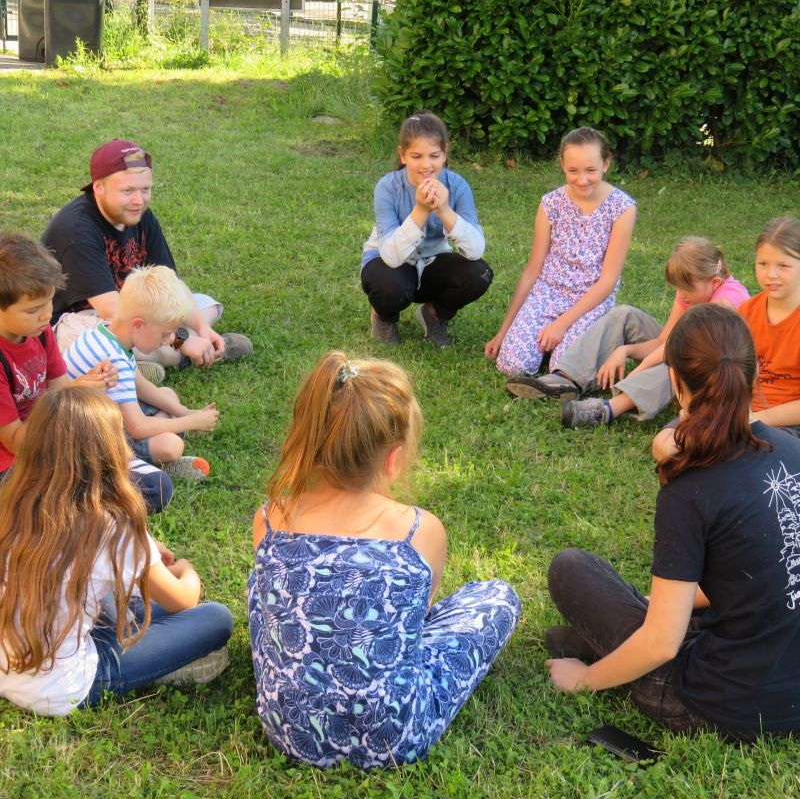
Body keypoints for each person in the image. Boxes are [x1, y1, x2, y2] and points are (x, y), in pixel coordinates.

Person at [248, 352, 520, 768]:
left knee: (262, 589)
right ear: (392, 459)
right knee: (498, 597)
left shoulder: (269, 519)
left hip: (289, 730)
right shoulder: (420, 531)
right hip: (395, 738)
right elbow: (418, 619)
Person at [546, 304, 800, 741]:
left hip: (719, 705)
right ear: (754, 375)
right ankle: (604, 638)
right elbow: (766, 566)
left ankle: (599, 650)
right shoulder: (792, 449)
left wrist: (582, 680)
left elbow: (663, 642)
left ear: (677, 384)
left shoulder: (691, 486)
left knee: (571, 569)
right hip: (787, 680)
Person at [0, 387, 233, 716]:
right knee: (215, 617)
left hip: (12, 666)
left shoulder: (14, 503)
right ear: (107, 452)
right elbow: (183, 599)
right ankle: (165, 667)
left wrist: (144, 552)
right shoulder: (110, 526)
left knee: (126, 600)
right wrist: (185, 570)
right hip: (66, 686)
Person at [41, 138, 252, 379]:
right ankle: (172, 357)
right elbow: (114, 310)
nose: (139, 200)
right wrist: (180, 341)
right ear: (98, 187)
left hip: (133, 309)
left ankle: (141, 361)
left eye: (145, 189)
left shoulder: (140, 214)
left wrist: (202, 328)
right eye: (127, 191)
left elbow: (170, 283)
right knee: (116, 340)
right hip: (72, 324)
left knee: (207, 306)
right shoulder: (77, 229)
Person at [0, 233, 173, 512]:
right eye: (33, 310)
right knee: (36, 506)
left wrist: (87, 385)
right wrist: (74, 393)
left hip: (52, 441)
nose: (46, 316)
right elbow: (19, 443)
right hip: (16, 464)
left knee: (156, 488)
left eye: (49, 302)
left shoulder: (40, 333)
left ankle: (88, 495)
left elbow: (60, 390)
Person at [505, 236, 749, 427]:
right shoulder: (693, 287)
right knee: (625, 315)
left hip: (715, 372)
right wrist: (625, 349)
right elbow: (666, 339)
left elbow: (676, 349)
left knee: (677, 361)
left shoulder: (725, 304)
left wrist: (639, 368)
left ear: (714, 283)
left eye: (685, 290)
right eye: (677, 289)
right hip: (683, 347)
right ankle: (566, 379)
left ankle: (608, 409)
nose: (681, 295)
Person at [485, 127, 636, 381]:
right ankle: (544, 342)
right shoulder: (550, 203)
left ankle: (574, 341)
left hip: (590, 298)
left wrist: (562, 323)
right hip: (549, 291)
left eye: (591, 170)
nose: (582, 179)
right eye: (573, 171)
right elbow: (533, 269)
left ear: (606, 164)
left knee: (563, 370)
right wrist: (504, 330)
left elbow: (608, 280)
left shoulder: (622, 208)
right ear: (563, 166)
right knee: (511, 366)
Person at [65, 266, 220, 480]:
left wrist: (185, 412)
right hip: (91, 439)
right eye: (165, 334)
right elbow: (137, 428)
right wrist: (192, 422)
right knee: (171, 445)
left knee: (167, 394)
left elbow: (141, 386)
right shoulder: (113, 359)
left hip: (113, 413)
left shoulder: (107, 332)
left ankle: (164, 433)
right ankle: (144, 465)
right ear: (138, 324)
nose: (168, 341)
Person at [361, 111, 493, 348]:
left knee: (479, 273)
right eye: (416, 156)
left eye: (434, 155)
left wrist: (444, 210)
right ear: (402, 155)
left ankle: (433, 315)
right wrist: (421, 210)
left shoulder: (458, 185)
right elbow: (390, 256)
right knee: (388, 284)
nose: (426, 165)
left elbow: (475, 249)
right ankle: (385, 317)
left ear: (445, 153)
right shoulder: (387, 187)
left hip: (432, 262)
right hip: (390, 264)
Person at [736, 216, 800, 438]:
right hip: (740, 412)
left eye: (783, 265)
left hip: (788, 424)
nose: (771, 274)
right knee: (665, 443)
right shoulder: (746, 311)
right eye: (763, 263)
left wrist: (756, 420)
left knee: (757, 452)